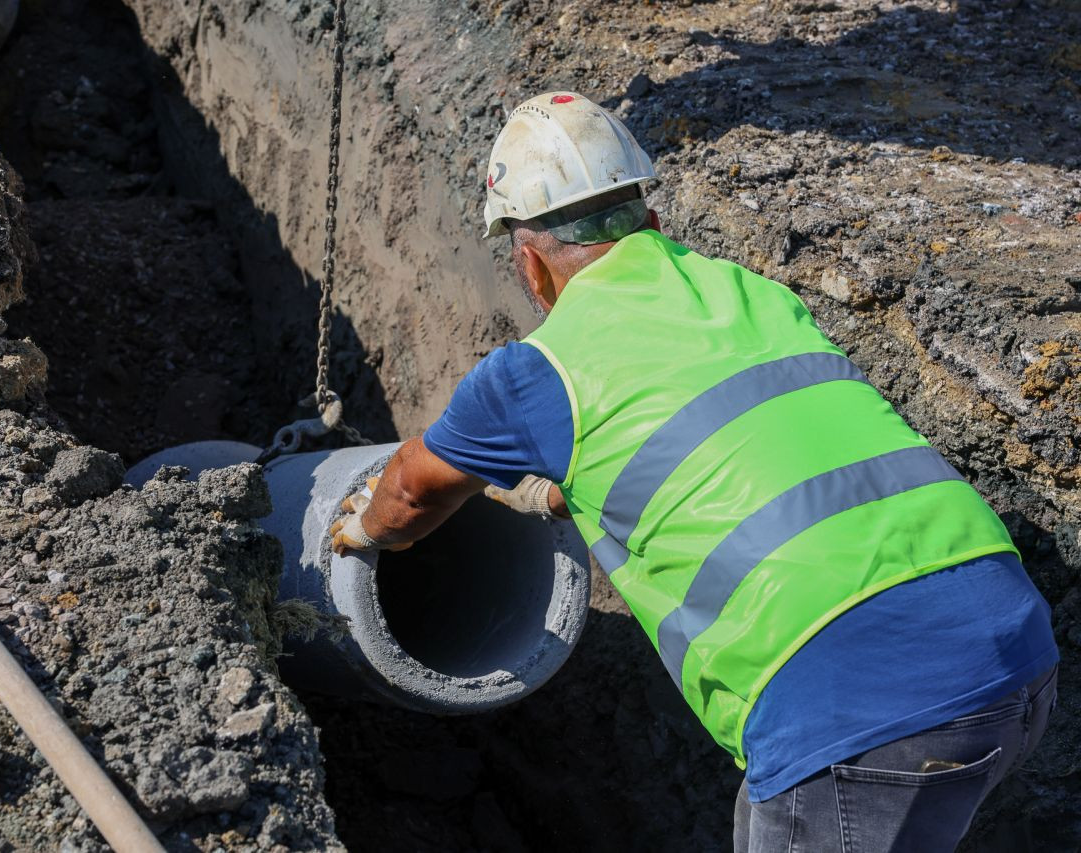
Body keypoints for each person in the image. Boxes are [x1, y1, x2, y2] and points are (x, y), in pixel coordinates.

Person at [329, 92, 1058, 852]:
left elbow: (411, 491)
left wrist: (366, 529)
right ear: (650, 220)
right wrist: (569, 488)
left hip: (855, 705)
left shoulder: (538, 372)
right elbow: (753, 443)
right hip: (1012, 645)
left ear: (529, 262)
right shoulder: (753, 295)